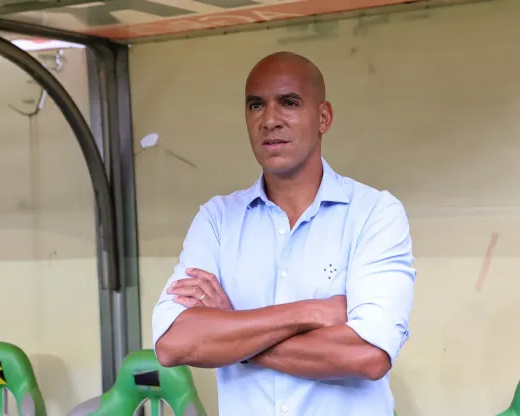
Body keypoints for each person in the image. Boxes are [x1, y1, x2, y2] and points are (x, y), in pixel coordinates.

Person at [152, 51, 416, 416]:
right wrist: (308, 313)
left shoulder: (375, 214)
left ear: (324, 117)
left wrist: (231, 329)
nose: (270, 119)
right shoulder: (217, 219)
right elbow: (173, 343)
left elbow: (368, 356)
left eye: (289, 102)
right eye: (256, 105)